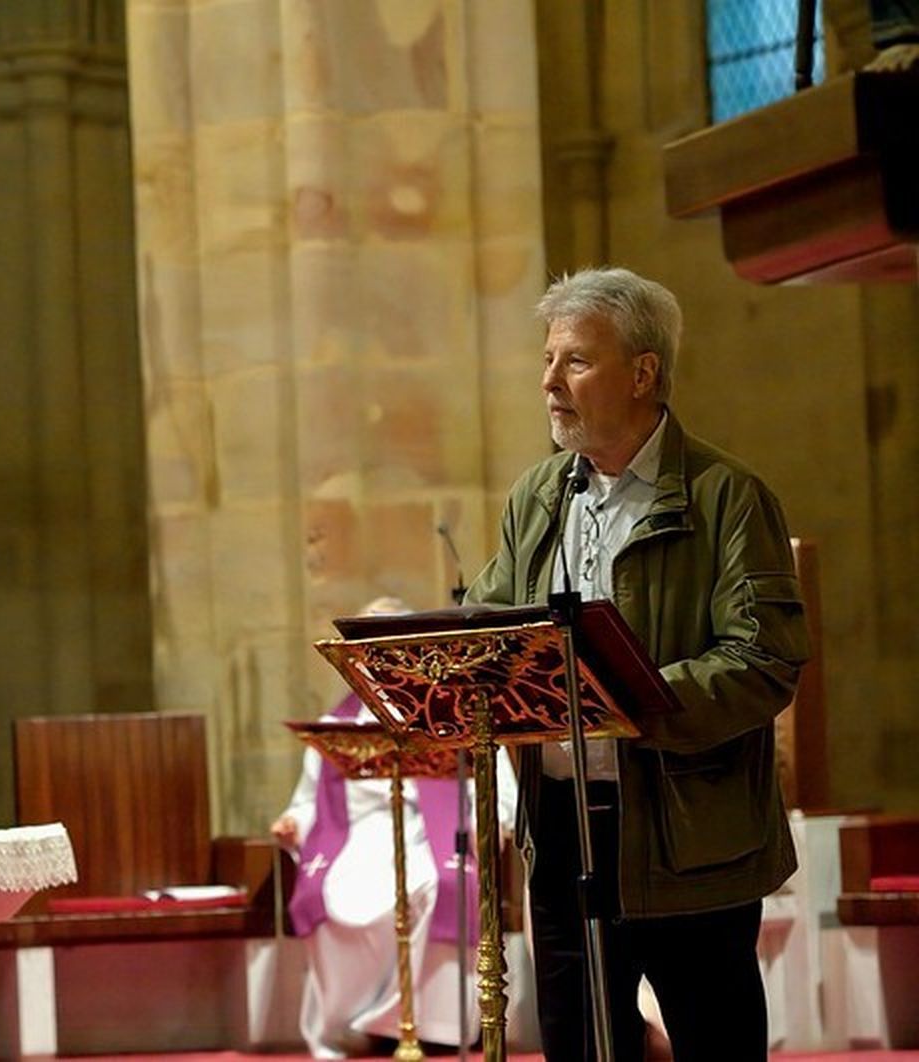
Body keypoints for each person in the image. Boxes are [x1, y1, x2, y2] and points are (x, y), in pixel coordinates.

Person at [463, 267, 809, 1061]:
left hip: (686, 830)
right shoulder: (538, 495)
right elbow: (491, 625)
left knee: (714, 1041)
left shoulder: (728, 496)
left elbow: (765, 660)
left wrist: (624, 701)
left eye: (575, 361)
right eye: (548, 361)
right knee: (581, 1047)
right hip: (557, 825)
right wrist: (448, 663)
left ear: (644, 372)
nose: (549, 381)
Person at [272, 596, 517, 1058]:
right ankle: (355, 1026)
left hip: (431, 834)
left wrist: (495, 821)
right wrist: (294, 822)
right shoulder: (337, 724)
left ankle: (430, 1025)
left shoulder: (456, 712)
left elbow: (498, 787)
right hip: (359, 838)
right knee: (330, 895)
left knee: (434, 883)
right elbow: (309, 802)